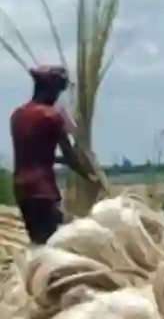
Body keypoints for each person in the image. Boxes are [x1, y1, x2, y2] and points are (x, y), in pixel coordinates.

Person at [9, 65, 98, 244]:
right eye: (57, 90)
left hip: (21, 189)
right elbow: (70, 155)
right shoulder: (51, 117)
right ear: (49, 89)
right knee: (52, 242)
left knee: (37, 239)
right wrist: (89, 176)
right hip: (43, 190)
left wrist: (57, 159)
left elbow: (33, 152)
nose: (58, 96)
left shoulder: (17, 115)